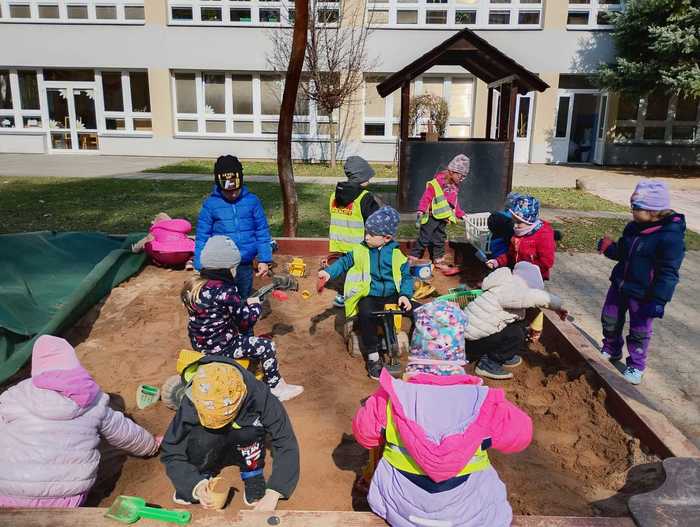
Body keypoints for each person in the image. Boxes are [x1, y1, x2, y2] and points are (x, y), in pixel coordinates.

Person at [352, 301, 533, 527]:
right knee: (488, 484)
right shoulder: (483, 401)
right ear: (460, 349)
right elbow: (521, 435)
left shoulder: (393, 396)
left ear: (416, 345)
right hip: (468, 513)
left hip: (403, 509)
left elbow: (365, 434)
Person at [0, 335, 160, 508]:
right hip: (65, 498)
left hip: (8, 493)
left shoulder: (14, 396)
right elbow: (126, 433)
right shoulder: (91, 398)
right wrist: (150, 446)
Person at [160, 355, 299, 511]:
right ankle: (202, 472)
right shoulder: (196, 395)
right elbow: (171, 447)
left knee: (251, 432)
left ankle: (252, 472)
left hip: (245, 436)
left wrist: (275, 491)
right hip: (209, 440)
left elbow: (285, 440)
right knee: (201, 438)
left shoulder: (260, 395)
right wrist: (194, 485)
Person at [182, 235, 303, 401]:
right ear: (228, 268)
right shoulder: (226, 291)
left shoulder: (194, 287)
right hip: (222, 347)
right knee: (266, 346)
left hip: (200, 344)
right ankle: (276, 387)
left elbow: (216, 311)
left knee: (232, 333)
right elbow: (245, 322)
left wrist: (241, 305)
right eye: (234, 267)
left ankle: (249, 369)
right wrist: (255, 306)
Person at [597, 180, 685, 385]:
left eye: (636, 208)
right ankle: (611, 348)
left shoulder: (670, 238)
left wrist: (659, 300)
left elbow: (668, 273)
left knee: (639, 330)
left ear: (653, 210)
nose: (632, 211)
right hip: (619, 285)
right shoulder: (633, 228)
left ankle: (636, 365)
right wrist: (608, 248)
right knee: (609, 319)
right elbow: (623, 252)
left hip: (644, 295)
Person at [318, 206, 414, 380]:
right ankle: (373, 356)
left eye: (371, 234)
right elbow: (344, 262)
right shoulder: (360, 250)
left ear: (386, 238)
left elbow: (407, 276)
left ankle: (403, 341)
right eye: (366, 232)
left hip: (392, 295)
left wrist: (405, 295)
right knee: (366, 313)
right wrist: (329, 272)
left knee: (407, 311)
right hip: (369, 294)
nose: (366, 237)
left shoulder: (397, 254)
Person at [465, 262, 566, 380]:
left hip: (466, 334)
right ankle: (489, 364)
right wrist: (558, 306)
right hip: (475, 341)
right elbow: (538, 297)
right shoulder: (515, 291)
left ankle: (502, 354)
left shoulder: (502, 283)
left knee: (516, 325)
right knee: (516, 334)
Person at [193, 155, 273, 300]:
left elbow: (261, 232)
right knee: (221, 299)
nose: (233, 194)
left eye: (236, 189)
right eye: (228, 191)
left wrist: (264, 259)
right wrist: (199, 265)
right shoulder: (211, 205)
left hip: (245, 263)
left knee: (243, 297)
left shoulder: (252, 202)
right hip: (221, 266)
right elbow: (202, 237)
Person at [486, 194, 555, 343]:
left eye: (519, 222)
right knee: (518, 302)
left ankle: (535, 328)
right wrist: (497, 261)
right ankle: (516, 328)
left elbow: (547, 261)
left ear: (530, 221)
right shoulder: (517, 235)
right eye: (514, 221)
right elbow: (510, 254)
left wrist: (529, 270)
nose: (515, 226)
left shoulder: (543, 235)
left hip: (534, 277)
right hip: (518, 275)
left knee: (533, 303)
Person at [327, 156, 380, 308]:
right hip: (358, 244)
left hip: (339, 242)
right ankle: (357, 297)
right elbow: (375, 221)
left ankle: (341, 295)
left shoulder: (334, 196)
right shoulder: (365, 197)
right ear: (362, 177)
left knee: (343, 269)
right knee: (360, 271)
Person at [410, 154, 470, 272]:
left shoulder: (454, 187)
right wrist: (421, 210)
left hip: (443, 219)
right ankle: (413, 258)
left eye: (464, 176)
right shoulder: (436, 183)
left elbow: (454, 203)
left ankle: (438, 261)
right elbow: (426, 197)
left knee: (439, 240)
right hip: (431, 217)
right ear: (452, 171)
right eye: (460, 175)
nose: (462, 179)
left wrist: (460, 213)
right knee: (424, 238)